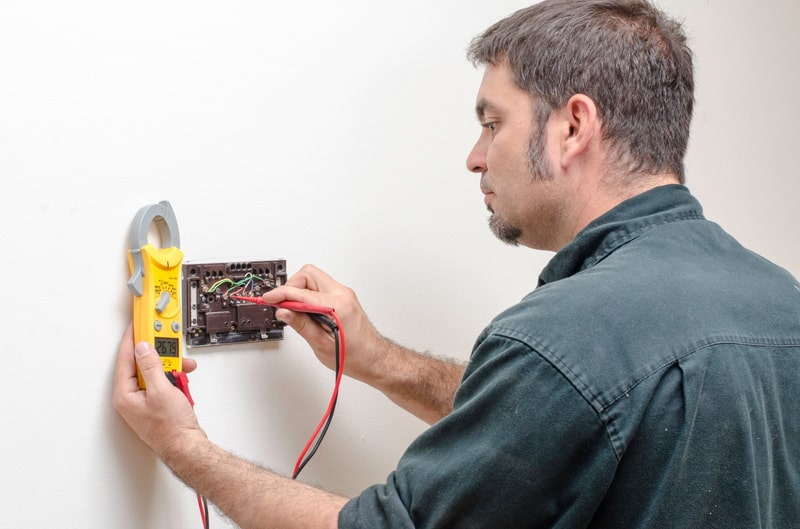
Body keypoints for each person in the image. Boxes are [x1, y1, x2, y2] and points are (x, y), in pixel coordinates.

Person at [113, 0, 800, 527]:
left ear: (572, 126)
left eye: (492, 121)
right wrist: (380, 359)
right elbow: (567, 416)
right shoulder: (781, 304)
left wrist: (184, 447)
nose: (476, 155)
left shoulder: (565, 336)